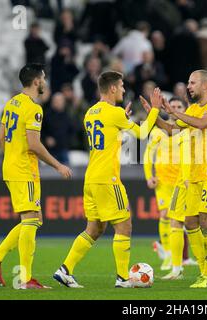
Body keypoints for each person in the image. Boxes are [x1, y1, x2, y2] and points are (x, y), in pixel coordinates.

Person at [53, 71, 161, 288]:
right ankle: (123, 278)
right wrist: (155, 109)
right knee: (124, 226)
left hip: (91, 178)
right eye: (121, 86)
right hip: (107, 179)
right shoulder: (114, 113)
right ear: (112, 88)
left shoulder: (90, 113)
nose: (123, 89)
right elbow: (141, 134)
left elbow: (108, 140)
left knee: (94, 229)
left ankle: (65, 270)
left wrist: (122, 123)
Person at [0, 63, 72, 289]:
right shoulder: (34, 108)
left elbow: (0, 138)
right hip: (24, 171)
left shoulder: (12, 102)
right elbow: (34, 144)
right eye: (43, 78)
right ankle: (24, 278)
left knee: (33, 219)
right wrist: (58, 165)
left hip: (11, 167)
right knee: (32, 220)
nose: (45, 81)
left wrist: (11, 158)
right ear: (36, 81)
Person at [153, 70, 207, 288]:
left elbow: (201, 124)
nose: (188, 86)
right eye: (188, 82)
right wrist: (155, 114)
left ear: (205, 85)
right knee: (189, 222)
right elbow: (171, 130)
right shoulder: (193, 109)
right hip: (195, 175)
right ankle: (202, 271)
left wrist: (174, 111)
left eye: (192, 82)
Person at [143, 96, 187, 272]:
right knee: (165, 215)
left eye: (179, 106)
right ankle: (168, 254)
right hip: (163, 181)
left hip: (182, 181)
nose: (175, 108)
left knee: (185, 220)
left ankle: (184, 257)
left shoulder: (187, 130)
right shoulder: (157, 132)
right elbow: (148, 155)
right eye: (173, 105)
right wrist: (149, 176)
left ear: (184, 110)